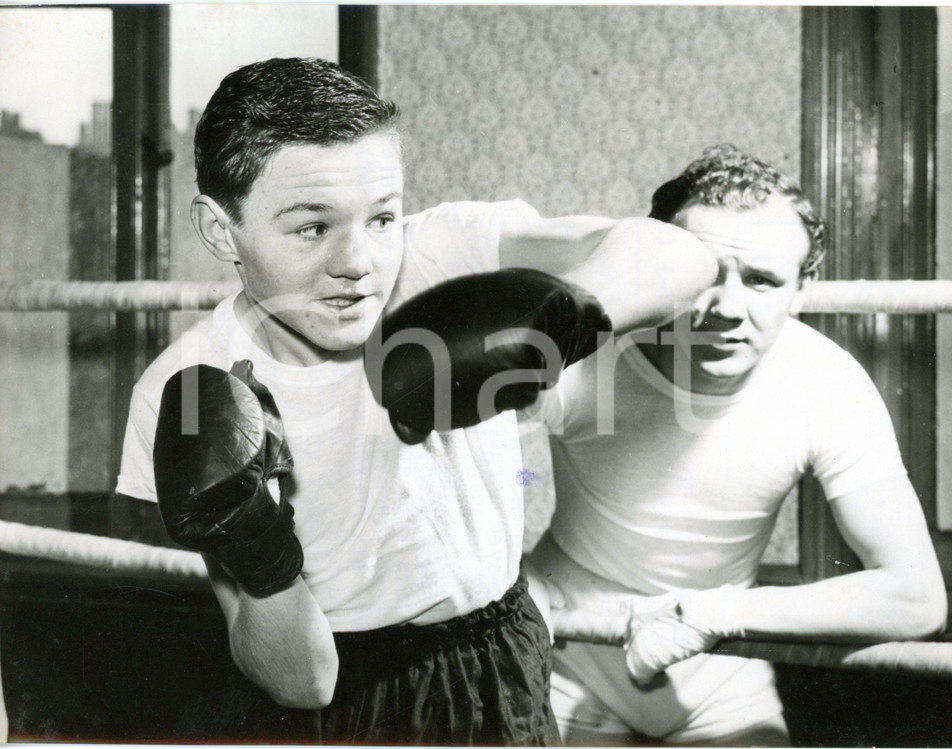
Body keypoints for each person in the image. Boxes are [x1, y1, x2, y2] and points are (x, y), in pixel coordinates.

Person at [114, 57, 716, 744]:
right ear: (222, 230)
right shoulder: (190, 390)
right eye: (313, 228)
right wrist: (263, 557)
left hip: (501, 655)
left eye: (382, 217)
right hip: (337, 701)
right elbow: (303, 681)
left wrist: (559, 317)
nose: (359, 261)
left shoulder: (441, 255)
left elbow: (679, 256)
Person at [526, 144, 948, 746]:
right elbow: (428, 456)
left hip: (719, 674)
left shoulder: (825, 382)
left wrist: (714, 614)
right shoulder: (588, 355)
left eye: (761, 280)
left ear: (801, 290)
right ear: (661, 267)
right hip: (570, 653)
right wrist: (505, 587)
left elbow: (916, 597)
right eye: (704, 274)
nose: (727, 308)